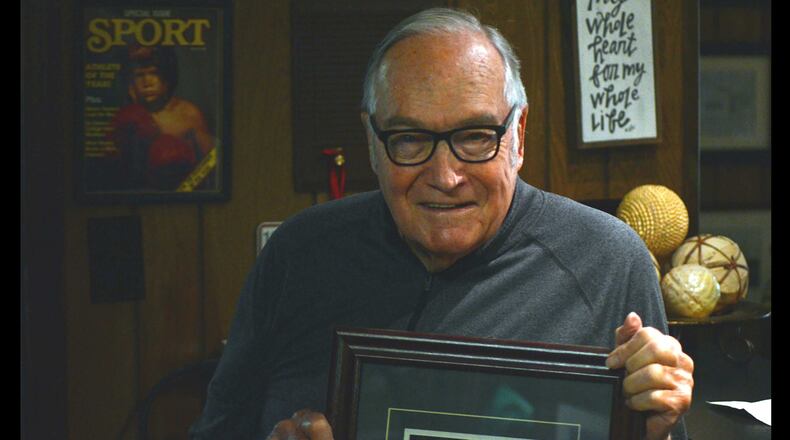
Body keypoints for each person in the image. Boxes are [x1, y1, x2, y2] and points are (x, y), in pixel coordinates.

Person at [189, 8, 693, 440]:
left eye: (475, 136)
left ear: (518, 134)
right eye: (409, 140)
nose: (446, 176)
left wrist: (656, 426)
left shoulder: (605, 260)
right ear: (371, 139)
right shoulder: (299, 254)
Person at [107, 44, 215, 190]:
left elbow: (211, 162)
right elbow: (110, 172)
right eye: (139, 75)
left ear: (166, 79)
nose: (147, 83)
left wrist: (184, 191)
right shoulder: (125, 118)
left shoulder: (187, 114)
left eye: (154, 73)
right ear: (130, 84)